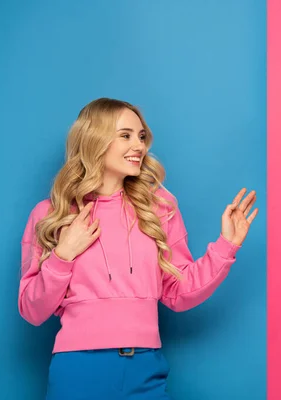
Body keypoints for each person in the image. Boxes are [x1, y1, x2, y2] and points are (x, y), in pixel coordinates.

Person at [18, 98, 258, 400]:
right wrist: (62, 255)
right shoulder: (51, 214)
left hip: (145, 369)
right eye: (126, 135)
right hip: (77, 370)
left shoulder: (158, 209)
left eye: (141, 136)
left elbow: (178, 291)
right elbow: (31, 309)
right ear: (95, 139)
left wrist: (227, 245)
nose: (139, 146)